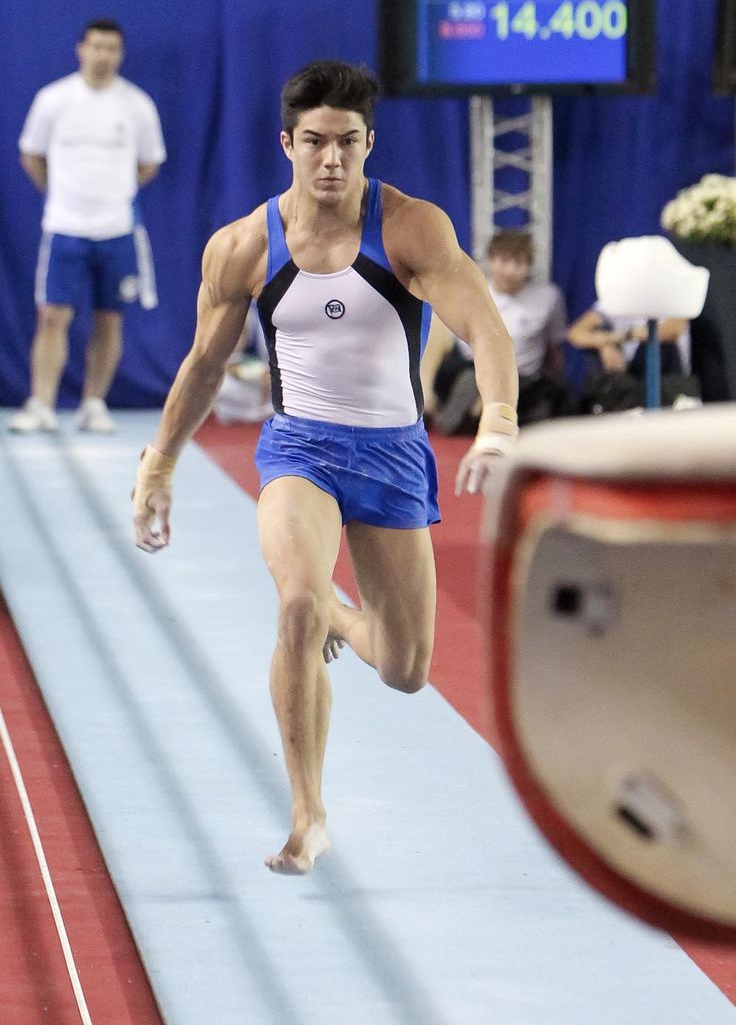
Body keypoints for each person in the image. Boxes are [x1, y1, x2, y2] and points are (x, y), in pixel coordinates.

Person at [131, 60, 518, 875]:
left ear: (370, 143)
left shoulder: (411, 229)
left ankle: (345, 620)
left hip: (392, 453)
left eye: (348, 142)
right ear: (287, 144)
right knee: (298, 602)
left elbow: (485, 327)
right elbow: (204, 365)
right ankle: (307, 814)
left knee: (406, 671)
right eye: (315, 142)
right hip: (299, 449)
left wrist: (499, 420)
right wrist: (159, 464)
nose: (332, 159)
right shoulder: (244, 246)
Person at [9, 18, 166, 434]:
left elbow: (150, 162)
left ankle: (93, 403)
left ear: (121, 54)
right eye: (96, 46)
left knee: (109, 318)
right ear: (81, 49)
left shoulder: (137, 105)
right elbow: (31, 154)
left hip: (117, 230)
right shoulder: (53, 100)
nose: (103, 55)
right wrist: (59, 195)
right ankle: (42, 404)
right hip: (64, 228)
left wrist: (114, 194)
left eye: (111, 48)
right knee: (52, 316)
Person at [424, 229, 572, 433]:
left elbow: (554, 347)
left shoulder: (549, 297)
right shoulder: (474, 291)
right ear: (491, 260)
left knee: (537, 411)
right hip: (470, 368)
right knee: (464, 376)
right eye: (504, 260)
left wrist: (558, 382)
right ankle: (455, 409)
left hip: (522, 377)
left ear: (529, 265)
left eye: (518, 262)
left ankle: (483, 411)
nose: (510, 270)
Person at [567, 303, 694, 412]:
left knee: (654, 343)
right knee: (595, 347)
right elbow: (576, 333)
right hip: (626, 374)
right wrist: (605, 344)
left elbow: (672, 330)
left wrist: (630, 335)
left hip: (666, 377)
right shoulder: (617, 300)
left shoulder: (669, 297)